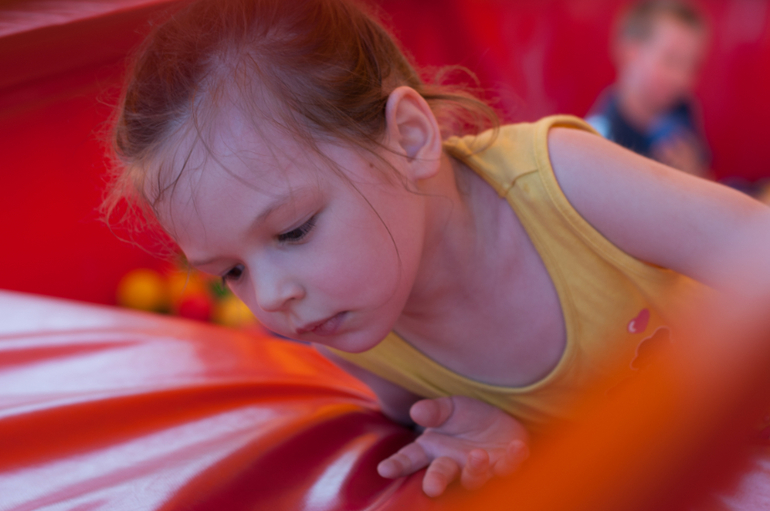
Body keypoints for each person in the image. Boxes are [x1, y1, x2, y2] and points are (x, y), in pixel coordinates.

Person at [103, 0, 770, 498]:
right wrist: (481, 425)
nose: (273, 297)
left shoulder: (564, 182)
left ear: (411, 139)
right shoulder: (348, 325)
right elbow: (447, 417)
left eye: (295, 230)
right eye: (232, 272)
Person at [586, 0, 711, 178]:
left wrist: (696, 175)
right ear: (630, 53)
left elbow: (707, 174)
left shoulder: (683, 110)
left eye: (692, 66)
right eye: (671, 60)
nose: (682, 78)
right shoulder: (598, 136)